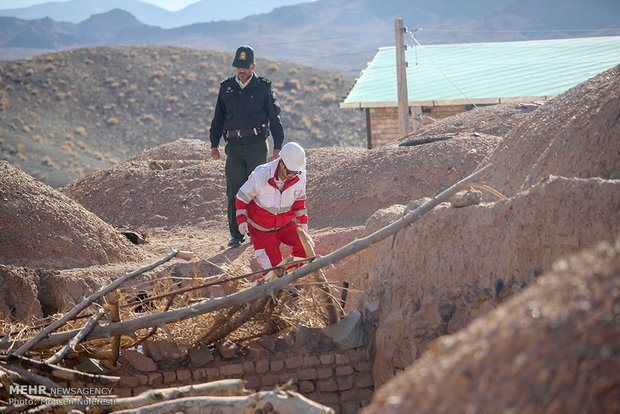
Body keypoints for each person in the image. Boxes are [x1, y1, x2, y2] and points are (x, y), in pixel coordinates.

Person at [209, 45, 285, 248]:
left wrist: (278, 146)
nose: (241, 71)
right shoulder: (226, 88)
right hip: (233, 147)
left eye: (244, 67)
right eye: (238, 67)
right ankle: (236, 234)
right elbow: (218, 119)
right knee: (235, 190)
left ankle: (256, 232)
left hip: (257, 146)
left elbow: (274, 118)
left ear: (253, 66)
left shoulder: (263, 87)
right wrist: (214, 144)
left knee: (258, 189)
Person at [235, 142, 312, 271]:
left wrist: (303, 223)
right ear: (282, 165)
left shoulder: (300, 174)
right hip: (262, 230)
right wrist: (241, 220)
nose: (294, 176)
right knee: (273, 269)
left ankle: (287, 278)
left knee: (306, 248)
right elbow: (242, 197)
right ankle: (275, 285)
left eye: (296, 172)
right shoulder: (261, 174)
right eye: (291, 172)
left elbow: (299, 202)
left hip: (285, 224)